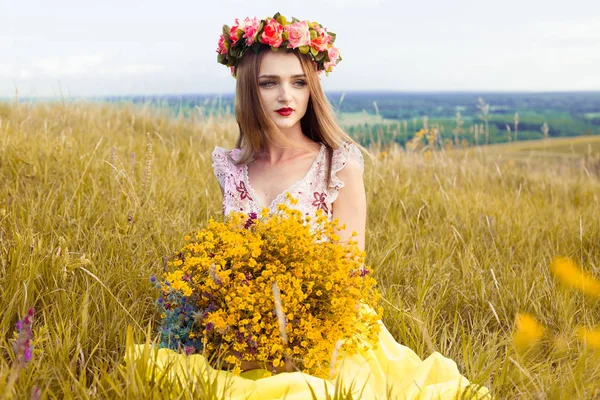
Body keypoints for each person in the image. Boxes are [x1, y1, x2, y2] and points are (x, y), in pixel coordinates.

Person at [127, 13, 491, 399]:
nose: (286, 96)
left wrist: (295, 323)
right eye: (269, 83)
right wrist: (229, 306)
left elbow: (350, 271)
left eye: (298, 82)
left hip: (325, 325)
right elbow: (230, 256)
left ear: (311, 88)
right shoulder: (232, 169)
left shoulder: (339, 164)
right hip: (244, 326)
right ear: (249, 89)